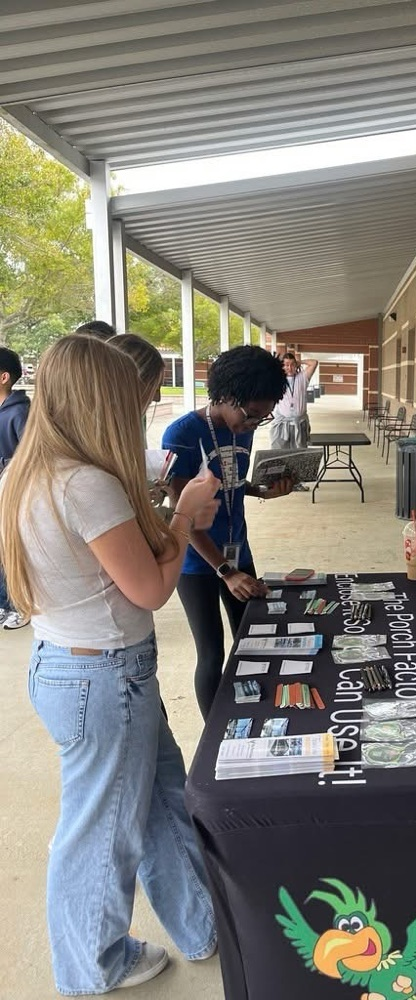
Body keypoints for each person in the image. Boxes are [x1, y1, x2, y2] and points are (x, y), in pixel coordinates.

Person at [0, 335, 221, 994]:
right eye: (134, 398)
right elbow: (152, 589)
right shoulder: (85, 484)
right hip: (104, 676)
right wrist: (183, 515)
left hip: (79, 666)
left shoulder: (26, 472)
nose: (144, 408)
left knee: (158, 803)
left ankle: (200, 922)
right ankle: (93, 965)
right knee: (100, 834)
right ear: (105, 400)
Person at [163, 345, 292, 720]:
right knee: (212, 653)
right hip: (198, 563)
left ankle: (256, 713)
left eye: (263, 418)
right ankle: (214, 732)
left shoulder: (243, 429)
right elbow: (184, 515)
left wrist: (264, 490)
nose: (253, 424)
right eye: (251, 415)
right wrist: (226, 571)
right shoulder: (183, 434)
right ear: (225, 396)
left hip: (239, 551)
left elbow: (231, 481)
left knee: (253, 640)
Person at [0, 346, 31, 630]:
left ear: (4, 377)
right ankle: (3, 604)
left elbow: (29, 456)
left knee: (11, 551)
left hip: (14, 495)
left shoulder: (21, 412)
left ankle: (17, 605)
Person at [269, 351, 319, 450]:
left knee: (299, 453)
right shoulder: (277, 379)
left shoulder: (303, 377)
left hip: (299, 423)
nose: (290, 368)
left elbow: (314, 362)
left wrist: (299, 362)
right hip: (282, 424)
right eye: (286, 365)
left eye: (292, 364)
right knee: (279, 452)